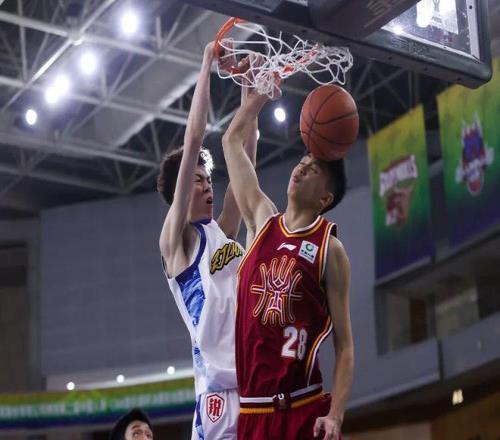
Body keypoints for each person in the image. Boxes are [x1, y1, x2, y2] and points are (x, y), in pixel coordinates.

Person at [222, 87, 354, 440]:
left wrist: (336, 414)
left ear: (325, 198)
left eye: (314, 169)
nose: (303, 166)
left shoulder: (329, 249)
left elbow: (345, 345)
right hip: (252, 412)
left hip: (301, 408)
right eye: (303, 161)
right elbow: (231, 142)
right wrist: (259, 96)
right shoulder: (261, 220)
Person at [157, 42, 258, 439]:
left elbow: (246, 165)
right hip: (219, 395)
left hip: (254, 380)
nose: (207, 185)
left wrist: (248, 87)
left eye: (209, 179)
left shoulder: (222, 231)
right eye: (198, 180)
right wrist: (206, 63)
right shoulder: (176, 242)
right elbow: (195, 137)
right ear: (180, 191)